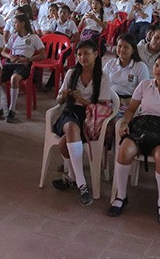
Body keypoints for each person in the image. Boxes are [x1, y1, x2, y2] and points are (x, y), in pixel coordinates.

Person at [107, 53, 160, 225]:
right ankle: (121, 196)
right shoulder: (145, 85)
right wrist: (125, 122)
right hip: (142, 126)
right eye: (156, 65)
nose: (158, 70)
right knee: (124, 151)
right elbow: (131, 109)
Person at [51, 40, 113, 205]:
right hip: (71, 112)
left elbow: (103, 107)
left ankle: (72, 177)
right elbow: (58, 99)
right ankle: (82, 184)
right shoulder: (72, 73)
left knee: (64, 145)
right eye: (79, 54)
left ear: (95, 54)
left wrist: (82, 100)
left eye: (86, 53)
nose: (83, 57)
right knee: (71, 127)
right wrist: (64, 96)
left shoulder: (103, 77)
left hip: (91, 117)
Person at [0, 14, 46, 123]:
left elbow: (43, 55)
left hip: (24, 63)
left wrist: (28, 59)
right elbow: (3, 51)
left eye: (15, 22)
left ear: (23, 23)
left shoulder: (33, 37)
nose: (13, 25)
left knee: (14, 79)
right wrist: (10, 56)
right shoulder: (13, 36)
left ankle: (12, 110)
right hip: (11, 61)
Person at [103, 34, 150, 110]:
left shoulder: (140, 66)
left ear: (133, 50)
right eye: (119, 46)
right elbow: (102, 82)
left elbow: (144, 91)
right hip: (110, 98)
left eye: (126, 47)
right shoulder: (110, 63)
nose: (122, 50)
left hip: (130, 101)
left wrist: (126, 101)